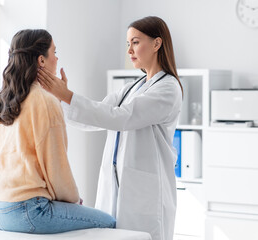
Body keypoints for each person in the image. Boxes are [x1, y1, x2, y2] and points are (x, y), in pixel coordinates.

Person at [37, 16, 183, 240]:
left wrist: (66, 95)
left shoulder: (168, 88)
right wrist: (61, 100)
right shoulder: (132, 87)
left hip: (146, 193)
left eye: (135, 42)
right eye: (128, 44)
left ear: (157, 43)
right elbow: (97, 116)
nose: (129, 50)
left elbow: (122, 117)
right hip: (115, 186)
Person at [0, 29, 116, 234]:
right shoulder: (44, 101)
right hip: (27, 210)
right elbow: (57, 166)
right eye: (54, 52)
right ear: (42, 61)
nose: (57, 58)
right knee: (109, 223)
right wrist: (74, 201)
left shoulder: (6, 98)